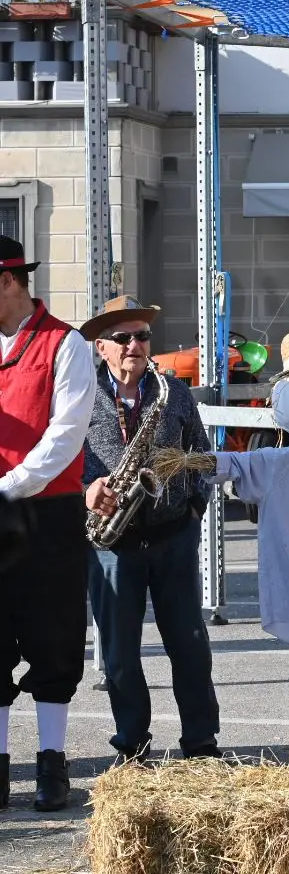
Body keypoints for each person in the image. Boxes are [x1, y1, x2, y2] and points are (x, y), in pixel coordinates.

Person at [80, 296, 220, 764]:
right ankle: (132, 745)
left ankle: (201, 743)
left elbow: (202, 456)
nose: (134, 345)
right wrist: (86, 491)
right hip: (111, 542)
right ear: (101, 346)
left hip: (172, 536)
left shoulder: (172, 392)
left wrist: (193, 510)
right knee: (120, 654)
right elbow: (60, 461)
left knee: (190, 646)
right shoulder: (79, 394)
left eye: (141, 336)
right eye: (122, 338)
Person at [0, 236, 96, 811]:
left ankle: (52, 760)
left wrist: (7, 487)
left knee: (53, 636)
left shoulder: (66, 343)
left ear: (8, 280)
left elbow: (66, 436)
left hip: (48, 511)